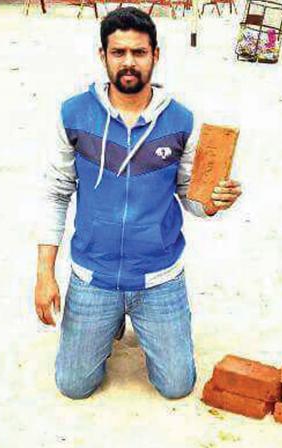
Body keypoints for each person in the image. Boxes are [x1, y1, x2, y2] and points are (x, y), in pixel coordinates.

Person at [34, 7, 243, 400]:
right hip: (93, 275)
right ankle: (109, 321)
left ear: (156, 56)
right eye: (118, 52)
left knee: (178, 386)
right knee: (74, 386)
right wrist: (45, 274)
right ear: (103, 56)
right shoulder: (74, 114)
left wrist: (214, 202)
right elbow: (56, 192)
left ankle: (132, 317)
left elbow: (190, 198)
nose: (129, 62)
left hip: (159, 277)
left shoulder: (182, 120)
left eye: (139, 52)